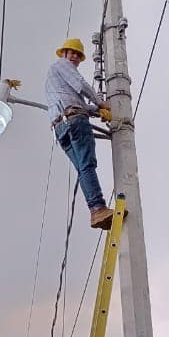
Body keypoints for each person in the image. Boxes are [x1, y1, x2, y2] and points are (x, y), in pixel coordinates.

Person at [45, 37, 114, 230]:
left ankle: (95, 211)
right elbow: (81, 85)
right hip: (74, 121)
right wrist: (102, 104)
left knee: (83, 168)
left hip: (61, 127)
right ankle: (98, 207)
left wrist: (96, 110)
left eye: (78, 54)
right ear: (64, 53)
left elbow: (78, 103)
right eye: (72, 53)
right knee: (87, 164)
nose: (75, 57)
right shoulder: (62, 65)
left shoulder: (54, 80)